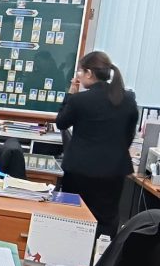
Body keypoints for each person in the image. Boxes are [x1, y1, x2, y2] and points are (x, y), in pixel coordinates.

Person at [56, 51, 138, 238]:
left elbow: (61, 123)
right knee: (107, 219)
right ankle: (103, 254)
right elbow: (129, 134)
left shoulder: (79, 100)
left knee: (73, 217)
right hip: (113, 171)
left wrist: (70, 94)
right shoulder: (127, 99)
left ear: (89, 73)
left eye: (80, 71)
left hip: (80, 170)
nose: (78, 76)